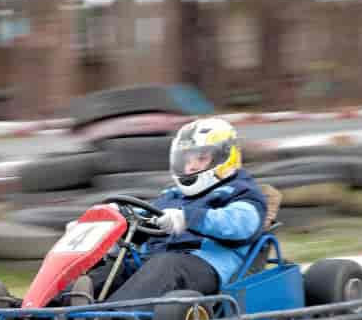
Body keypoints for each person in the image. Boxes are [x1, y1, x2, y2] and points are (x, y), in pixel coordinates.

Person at [71, 116, 270, 305]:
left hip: (205, 265)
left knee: (166, 265)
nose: (191, 167)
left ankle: (108, 318)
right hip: (155, 262)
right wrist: (108, 220)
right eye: (186, 160)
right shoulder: (173, 195)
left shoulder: (241, 192)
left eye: (201, 158)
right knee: (114, 268)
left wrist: (188, 218)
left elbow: (240, 225)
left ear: (226, 156)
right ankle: (50, 312)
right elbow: (148, 217)